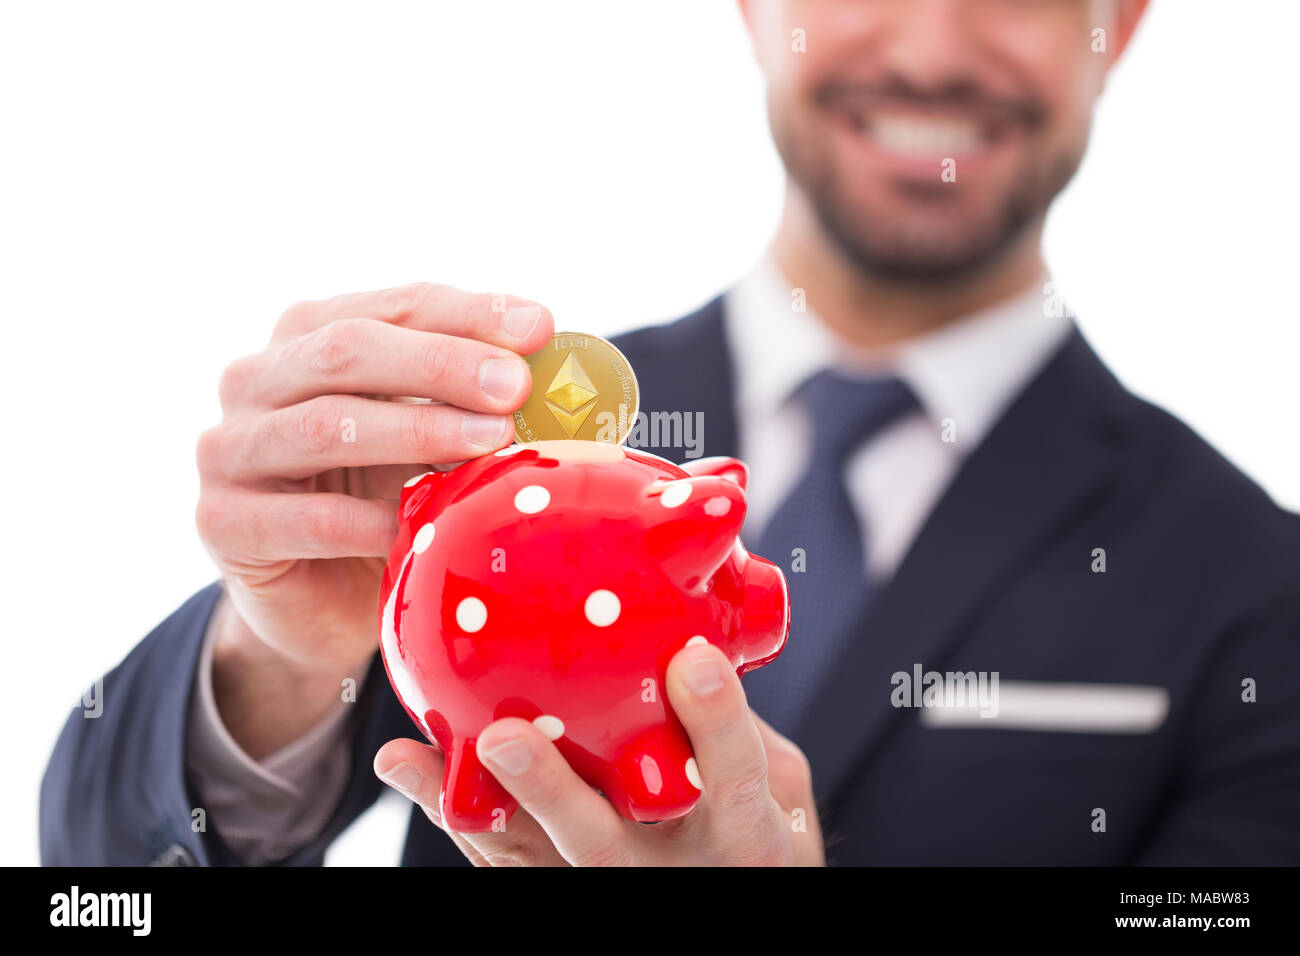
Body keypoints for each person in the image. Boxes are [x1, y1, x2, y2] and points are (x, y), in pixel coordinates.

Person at [41, 0, 1300, 866]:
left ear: (1116, 26)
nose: (929, 47)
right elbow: (94, 869)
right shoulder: (472, 459)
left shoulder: (1259, 588)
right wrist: (279, 662)